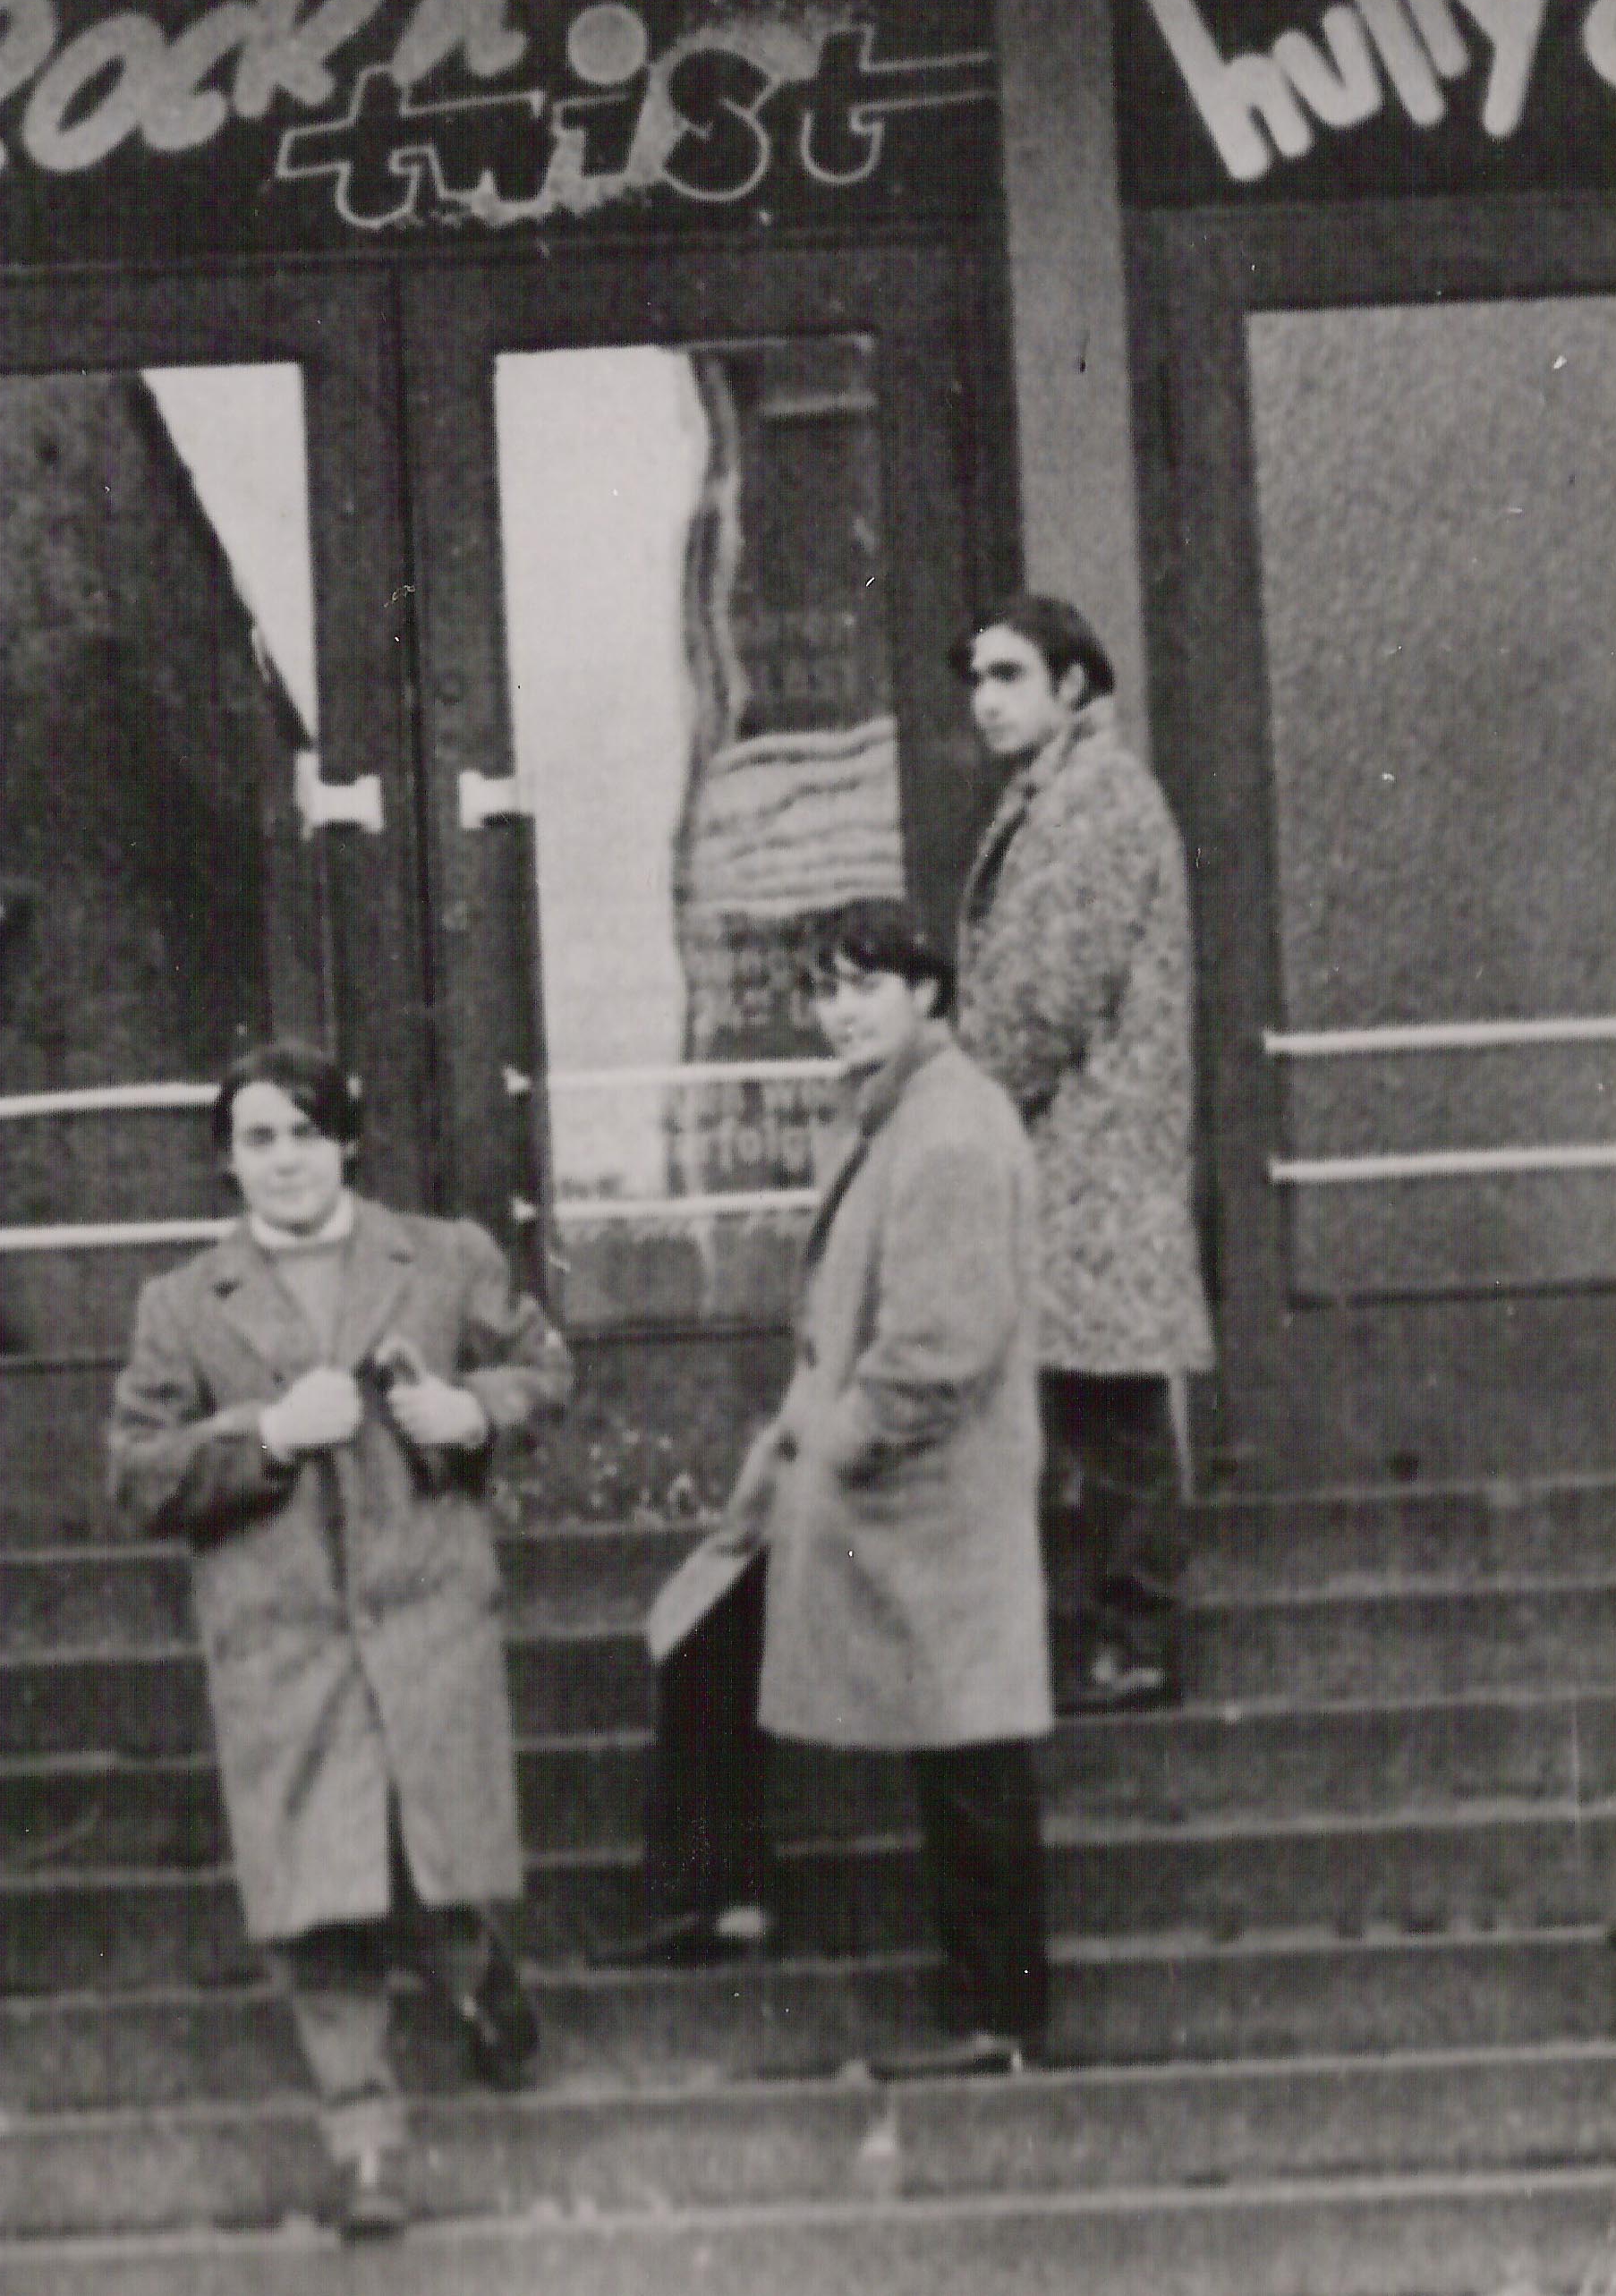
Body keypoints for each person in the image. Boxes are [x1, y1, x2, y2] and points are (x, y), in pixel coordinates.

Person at [106, 1049, 573, 2241]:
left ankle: (473, 1966)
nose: (285, 1160)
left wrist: (474, 1411)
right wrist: (264, 1431)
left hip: (423, 1616)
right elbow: (139, 1474)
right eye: (259, 1139)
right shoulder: (182, 1301)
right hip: (282, 1642)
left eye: (307, 1134)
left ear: (349, 1143)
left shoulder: (444, 1255)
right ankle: (366, 2145)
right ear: (228, 1158)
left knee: (415, 1857)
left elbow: (543, 1366)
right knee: (320, 1898)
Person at [612, 897, 1050, 2073]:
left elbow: (940, 1348)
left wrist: (840, 1445)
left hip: (920, 1494)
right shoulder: (901, 1114)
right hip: (860, 1484)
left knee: (970, 1746)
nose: (838, 1010)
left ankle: (997, 2016)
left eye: (867, 985)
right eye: (826, 989)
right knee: (708, 1632)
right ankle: (717, 1895)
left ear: (930, 998)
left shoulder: (949, 1129)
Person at [951, 591, 1204, 1717]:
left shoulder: (1095, 801)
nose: (983, 701)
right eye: (977, 679)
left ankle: (1135, 1636)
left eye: (1009, 677)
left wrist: (951, 1105)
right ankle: (1114, 1630)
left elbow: (1045, 997)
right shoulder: (1059, 796)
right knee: (1092, 1393)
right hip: (1070, 1148)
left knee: (1108, 1402)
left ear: (1074, 688)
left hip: (1087, 1145)